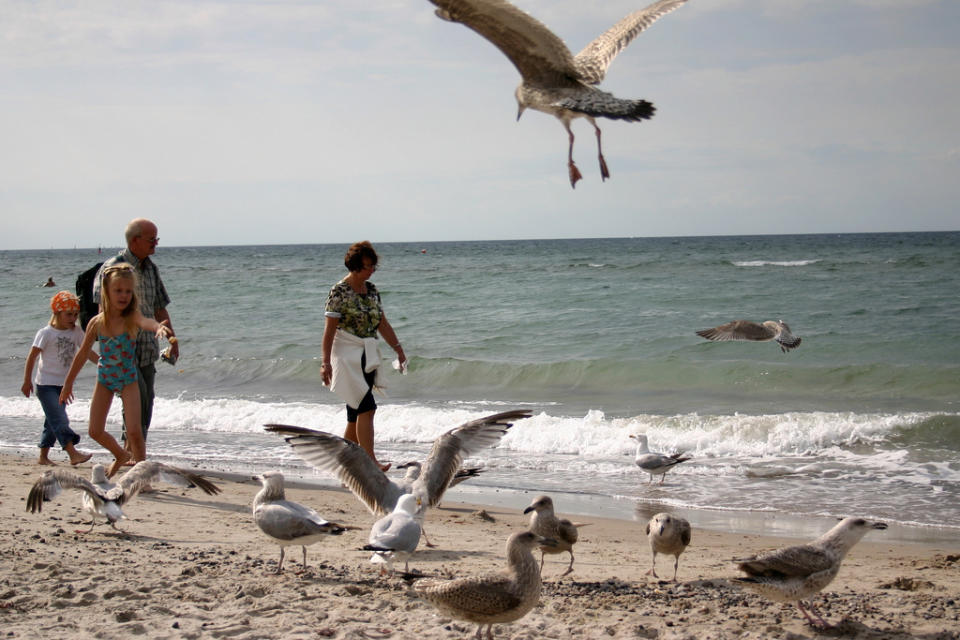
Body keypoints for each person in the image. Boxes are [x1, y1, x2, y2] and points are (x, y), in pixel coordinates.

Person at [61, 263, 173, 477]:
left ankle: (142, 477)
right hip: (105, 379)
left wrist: (158, 327)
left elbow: (146, 321)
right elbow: (83, 353)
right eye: (118, 291)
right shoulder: (97, 322)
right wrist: (67, 384)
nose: (124, 296)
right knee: (94, 431)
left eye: (128, 291)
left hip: (128, 379)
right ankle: (120, 455)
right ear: (106, 292)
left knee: (134, 432)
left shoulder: (131, 317)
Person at [93, 218, 177, 453]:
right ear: (134, 240)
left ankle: (135, 451)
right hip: (123, 350)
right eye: (152, 239)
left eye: (156, 239)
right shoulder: (113, 268)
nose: (155, 244)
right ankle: (131, 453)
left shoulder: (151, 268)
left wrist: (172, 339)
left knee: (147, 401)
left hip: (148, 348)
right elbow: (102, 311)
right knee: (134, 403)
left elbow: (159, 306)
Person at [322, 241, 407, 472]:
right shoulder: (339, 291)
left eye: (373, 266)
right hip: (346, 355)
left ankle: (343, 464)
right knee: (367, 408)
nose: (371, 270)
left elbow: (382, 323)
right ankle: (370, 463)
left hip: (367, 355)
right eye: (368, 266)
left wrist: (398, 349)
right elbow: (329, 330)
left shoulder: (372, 291)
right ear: (355, 265)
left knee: (354, 415)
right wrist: (325, 362)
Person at [21, 291, 95, 466]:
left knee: (52, 421)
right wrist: (26, 381)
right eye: (68, 314)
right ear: (57, 313)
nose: (73, 318)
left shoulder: (76, 332)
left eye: (75, 315)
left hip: (63, 386)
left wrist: (104, 363)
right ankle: (72, 453)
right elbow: (32, 357)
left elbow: (87, 352)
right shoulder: (46, 333)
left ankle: (43, 457)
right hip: (45, 385)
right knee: (60, 419)